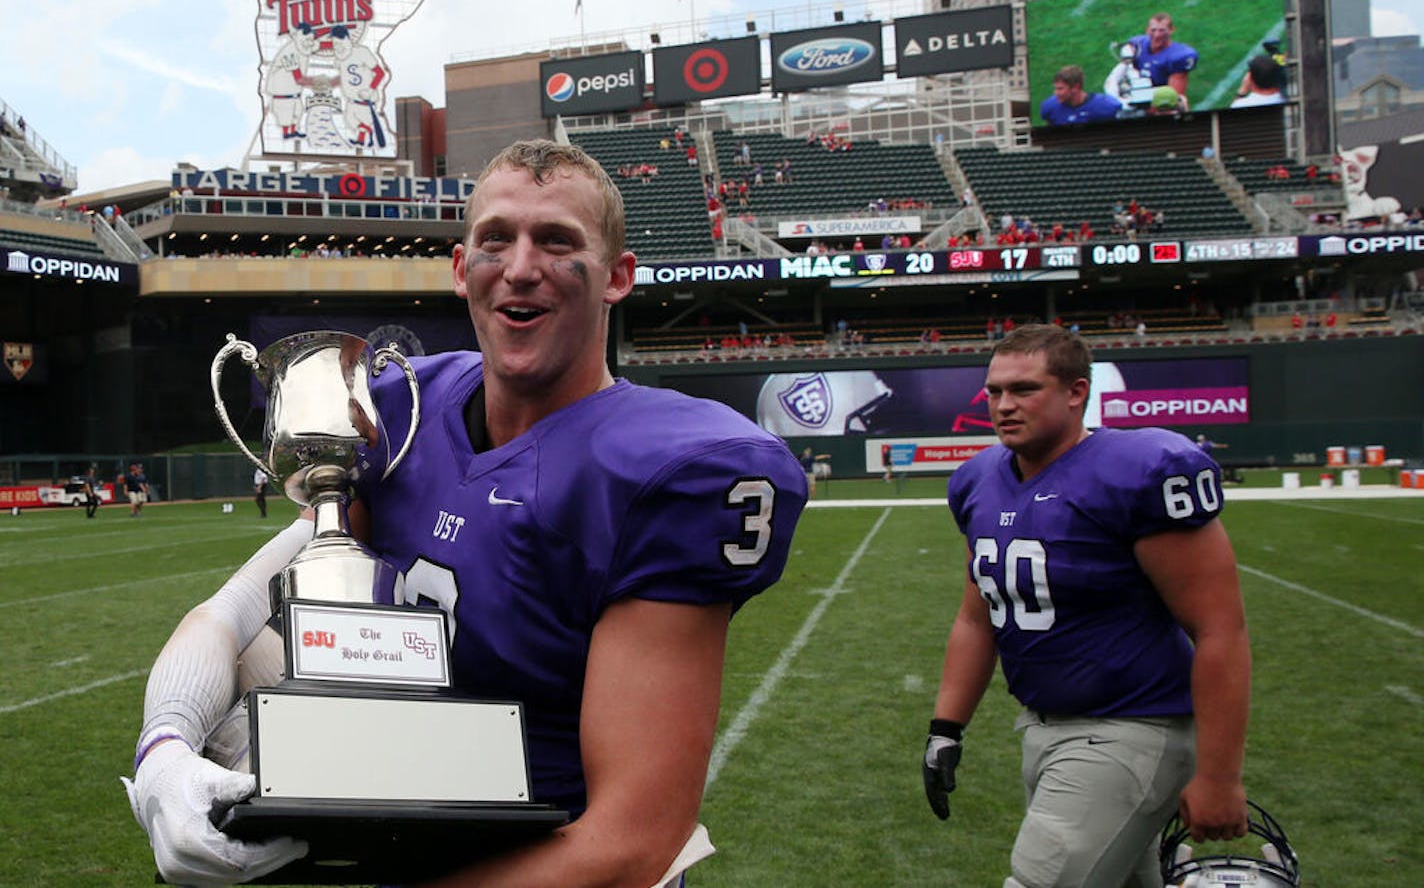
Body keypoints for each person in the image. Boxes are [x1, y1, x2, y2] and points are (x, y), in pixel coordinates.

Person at [122, 140, 808, 887]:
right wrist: (163, 758)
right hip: (401, 838)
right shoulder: (401, 411)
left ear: (617, 278)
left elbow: (629, 843)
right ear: (460, 270)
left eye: (557, 241)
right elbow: (229, 617)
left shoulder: (671, 467)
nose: (520, 267)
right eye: (496, 239)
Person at [923, 325, 1251, 887]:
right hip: (1042, 728)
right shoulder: (977, 480)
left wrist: (1220, 776)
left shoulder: (1139, 470)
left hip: (1133, 727)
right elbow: (978, 617)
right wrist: (945, 728)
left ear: (1076, 392)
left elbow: (1220, 629)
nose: (1004, 405)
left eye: (1025, 389)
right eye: (995, 391)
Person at [1128, 12, 1198, 108]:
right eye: (1153, 30)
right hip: (1138, 90)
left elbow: (1172, 98)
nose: (1157, 35)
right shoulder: (1137, 45)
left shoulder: (1179, 56)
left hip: (1162, 96)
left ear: (1171, 30)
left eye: (1162, 30)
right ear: (1147, 30)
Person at [1040, 65, 1122, 126]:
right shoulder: (1050, 107)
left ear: (1076, 87)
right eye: (1056, 88)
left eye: (1060, 89)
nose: (1056, 93)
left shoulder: (1104, 106)